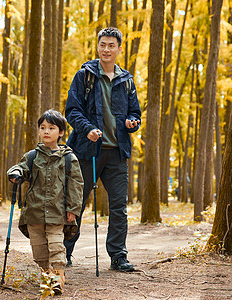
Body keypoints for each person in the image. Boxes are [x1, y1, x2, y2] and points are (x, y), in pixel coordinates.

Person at [64, 27, 141, 272]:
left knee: (119, 207)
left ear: (119, 49)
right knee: (75, 204)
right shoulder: (84, 76)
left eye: (111, 45)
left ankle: (118, 256)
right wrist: (86, 128)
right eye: (103, 45)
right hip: (87, 152)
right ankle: (63, 252)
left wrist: (132, 122)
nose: (106, 49)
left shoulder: (126, 80)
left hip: (117, 152)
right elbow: (72, 110)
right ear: (98, 47)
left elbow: (135, 112)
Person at [7, 109, 83, 293]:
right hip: (34, 212)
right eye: (43, 128)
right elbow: (22, 168)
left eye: (51, 127)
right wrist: (15, 172)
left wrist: (72, 208)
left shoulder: (69, 158)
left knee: (57, 246)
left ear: (61, 132)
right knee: (39, 250)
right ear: (39, 131)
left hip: (57, 211)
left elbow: (76, 184)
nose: (46, 131)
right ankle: (46, 274)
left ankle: (57, 278)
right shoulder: (32, 156)